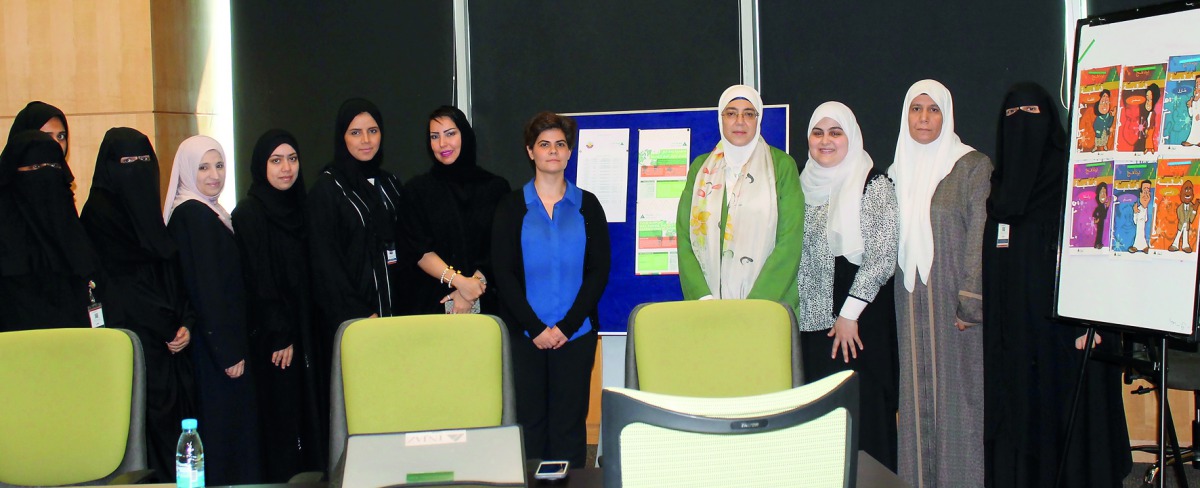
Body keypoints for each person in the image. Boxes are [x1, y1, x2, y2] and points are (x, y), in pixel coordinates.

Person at [983, 82, 1131, 488]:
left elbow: (1098, 258)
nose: (1021, 125)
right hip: (1017, 342)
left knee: (1068, 429)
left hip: (1066, 339)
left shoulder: (1075, 184)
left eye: (1031, 114)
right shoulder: (1001, 191)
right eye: (1011, 116)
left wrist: (1091, 323)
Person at [491, 111, 610, 468]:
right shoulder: (511, 207)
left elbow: (598, 272)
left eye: (560, 144)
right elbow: (504, 273)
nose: (553, 151)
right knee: (531, 427)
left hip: (576, 336)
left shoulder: (588, 206)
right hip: (526, 337)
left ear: (570, 152)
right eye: (544, 144)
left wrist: (565, 329)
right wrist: (535, 329)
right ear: (531, 151)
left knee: (569, 428)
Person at [889, 79, 992, 488]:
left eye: (933, 109)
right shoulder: (895, 172)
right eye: (916, 109)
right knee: (915, 401)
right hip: (909, 300)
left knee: (960, 400)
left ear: (946, 115)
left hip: (955, 306)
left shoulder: (971, 166)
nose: (924, 118)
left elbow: (979, 236)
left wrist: (970, 301)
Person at [80, 127, 197, 481]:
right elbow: (123, 288)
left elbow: (173, 274)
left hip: (171, 345)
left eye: (145, 161)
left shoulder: (151, 216)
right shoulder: (100, 216)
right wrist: (167, 325)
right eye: (127, 162)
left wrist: (185, 323)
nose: (138, 169)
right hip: (137, 345)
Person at [796, 102, 899, 469]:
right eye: (818, 132)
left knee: (863, 421)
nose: (826, 141)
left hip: (857, 324)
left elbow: (882, 256)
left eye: (835, 132)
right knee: (819, 427)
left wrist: (849, 313)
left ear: (851, 137)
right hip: (812, 327)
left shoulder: (874, 184)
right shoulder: (799, 187)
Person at [165, 135, 262, 484]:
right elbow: (207, 290)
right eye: (203, 167)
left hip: (218, 347)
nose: (214, 175)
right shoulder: (193, 215)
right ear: (188, 171)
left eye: (219, 165)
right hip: (218, 353)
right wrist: (228, 352)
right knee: (225, 438)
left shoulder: (210, 211)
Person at [232, 130, 325, 480]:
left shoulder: (303, 208)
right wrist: (280, 334)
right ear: (261, 166)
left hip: (307, 330)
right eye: (276, 160)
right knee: (283, 419)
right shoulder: (250, 214)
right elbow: (258, 282)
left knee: (309, 413)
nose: (286, 168)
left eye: (292, 158)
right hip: (276, 340)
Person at [676, 85, 803, 307]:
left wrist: (756, 303)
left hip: (768, 307)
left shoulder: (781, 166)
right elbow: (685, 236)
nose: (740, 121)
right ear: (721, 118)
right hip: (709, 309)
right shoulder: (700, 169)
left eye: (749, 113)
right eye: (731, 113)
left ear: (758, 119)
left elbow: (790, 240)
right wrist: (703, 297)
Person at [307, 98, 408, 350]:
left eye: (372, 131)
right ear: (343, 137)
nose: (366, 140)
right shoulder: (328, 188)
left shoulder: (391, 183)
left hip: (398, 318)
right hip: (355, 323)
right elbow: (325, 263)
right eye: (355, 132)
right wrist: (361, 313)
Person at [404, 106, 510, 315]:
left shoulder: (495, 188)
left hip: (485, 300)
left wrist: (470, 291)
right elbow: (417, 248)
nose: (442, 144)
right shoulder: (416, 190)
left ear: (465, 135)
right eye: (435, 136)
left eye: (450, 133)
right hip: (431, 303)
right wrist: (459, 282)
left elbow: (501, 247)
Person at [0, 130, 95, 331]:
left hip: (75, 345)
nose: (46, 174)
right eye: (35, 167)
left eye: (53, 166)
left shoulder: (70, 226)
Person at [1139, 83, 1161, 154]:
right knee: (1147, 139)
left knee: (1149, 138)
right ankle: (1147, 148)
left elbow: (1152, 122)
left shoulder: (1155, 113)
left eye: (1150, 100)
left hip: (1151, 128)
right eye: (1147, 99)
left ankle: (1151, 149)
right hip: (1149, 128)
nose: (1147, 103)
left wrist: (1148, 128)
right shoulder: (1145, 113)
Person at [1093, 181, 1109, 250]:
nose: (1103, 195)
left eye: (1104, 193)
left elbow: (1104, 215)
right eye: (1101, 192)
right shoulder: (1099, 207)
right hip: (1100, 222)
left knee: (1100, 233)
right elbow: (1094, 214)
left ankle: (1098, 243)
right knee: (1099, 233)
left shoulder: (1103, 206)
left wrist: (1107, 207)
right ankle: (1097, 243)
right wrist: (1096, 218)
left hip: (1101, 222)